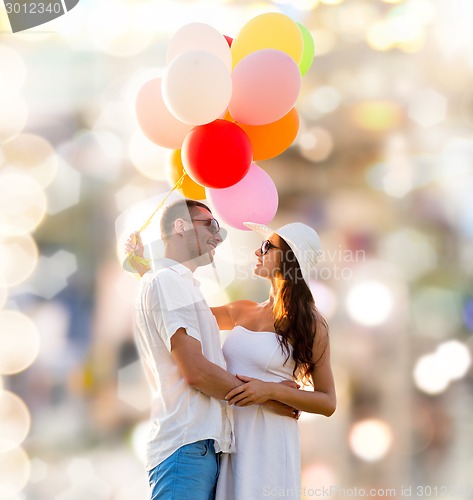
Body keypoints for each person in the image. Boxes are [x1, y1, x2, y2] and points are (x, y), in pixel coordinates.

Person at [127, 199, 298, 500]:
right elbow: (196, 372)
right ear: (180, 226)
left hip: (198, 447)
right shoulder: (168, 281)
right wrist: (268, 397)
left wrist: (144, 268)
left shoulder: (176, 284)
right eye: (211, 225)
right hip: (186, 446)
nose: (218, 237)